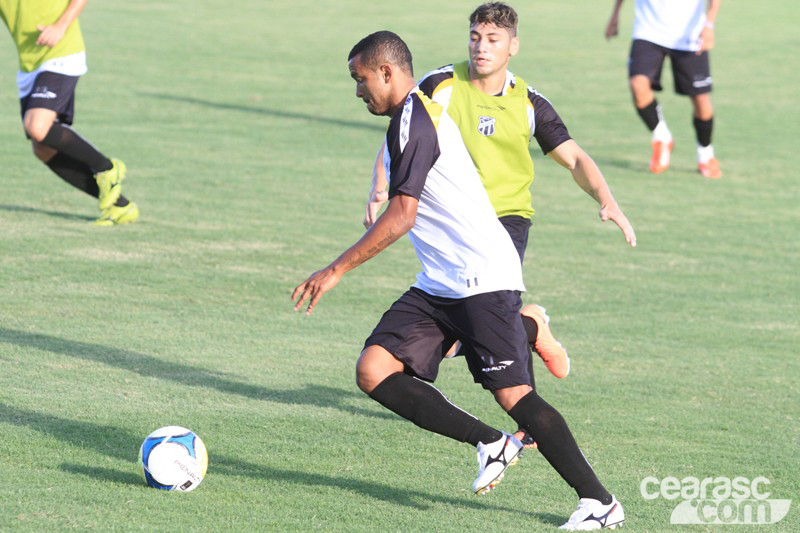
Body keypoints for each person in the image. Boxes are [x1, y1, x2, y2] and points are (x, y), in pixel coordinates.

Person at [293, 30, 625, 530]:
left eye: (360, 79)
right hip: (443, 279)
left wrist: (335, 269)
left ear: (387, 72)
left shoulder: (415, 120)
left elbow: (403, 215)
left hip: (483, 277)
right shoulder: (408, 117)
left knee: (516, 397)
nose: (358, 90)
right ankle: (492, 443)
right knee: (374, 370)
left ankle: (599, 502)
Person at [364, 2, 636, 450]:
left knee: (465, 332)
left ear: (513, 46)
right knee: (469, 330)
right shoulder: (441, 84)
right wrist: (380, 188)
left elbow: (575, 158)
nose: (481, 47)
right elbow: (404, 130)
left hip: (505, 223)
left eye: (492, 39)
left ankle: (526, 403)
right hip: (455, 222)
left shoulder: (529, 102)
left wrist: (607, 200)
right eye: (475, 36)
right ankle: (528, 332)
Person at [0, 0, 138, 225]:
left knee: (37, 126)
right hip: (29, 65)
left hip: (60, 54)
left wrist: (61, 26)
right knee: (43, 148)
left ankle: (107, 168)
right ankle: (120, 206)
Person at [605, 0, 723, 179]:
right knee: (638, 84)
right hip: (648, 32)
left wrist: (709, 25)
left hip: (690, 36)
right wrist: (615, 14)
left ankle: (705, 155)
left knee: (701, 100)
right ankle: (661, 137)